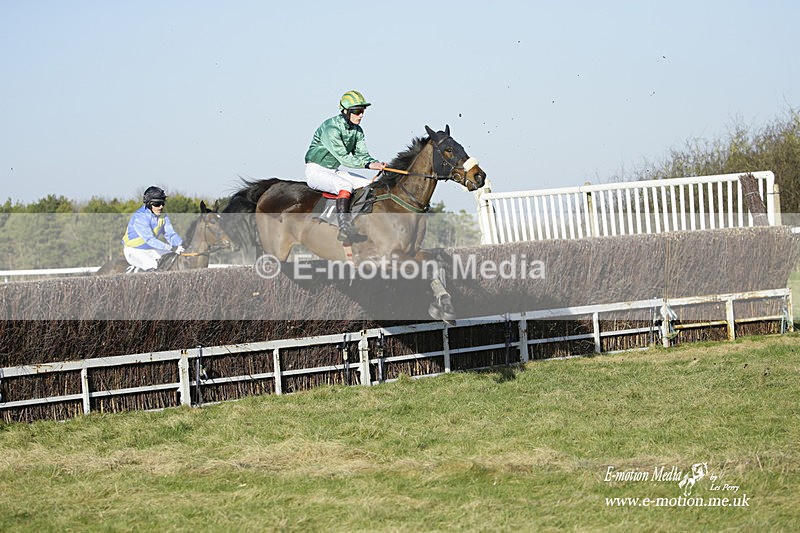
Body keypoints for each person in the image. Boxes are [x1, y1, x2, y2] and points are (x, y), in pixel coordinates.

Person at [304, 90, 387, 242]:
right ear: (345, 111)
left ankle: (363, 222)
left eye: (362, 111)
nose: (361, 115)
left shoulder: (357, 130)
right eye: (356, 111)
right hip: (315, 171)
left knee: (369, 184)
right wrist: (369, 165)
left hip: (333, 171)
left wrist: (377, 163)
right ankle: (344, 227)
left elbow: (362, 155)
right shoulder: (331, 129)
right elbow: (344, 158)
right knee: (345, 185)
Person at [122, 186, 184, 271]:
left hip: (151, 249)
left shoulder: (163, 216)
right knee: (152, 264)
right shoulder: (140, 217)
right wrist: (171, 247)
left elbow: (170, 234)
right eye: (157, 204)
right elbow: (150, 240)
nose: (161, 207)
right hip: (133, 250)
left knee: (174, 258)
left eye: (163, 203)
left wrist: (180, 244)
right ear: (148, 204)